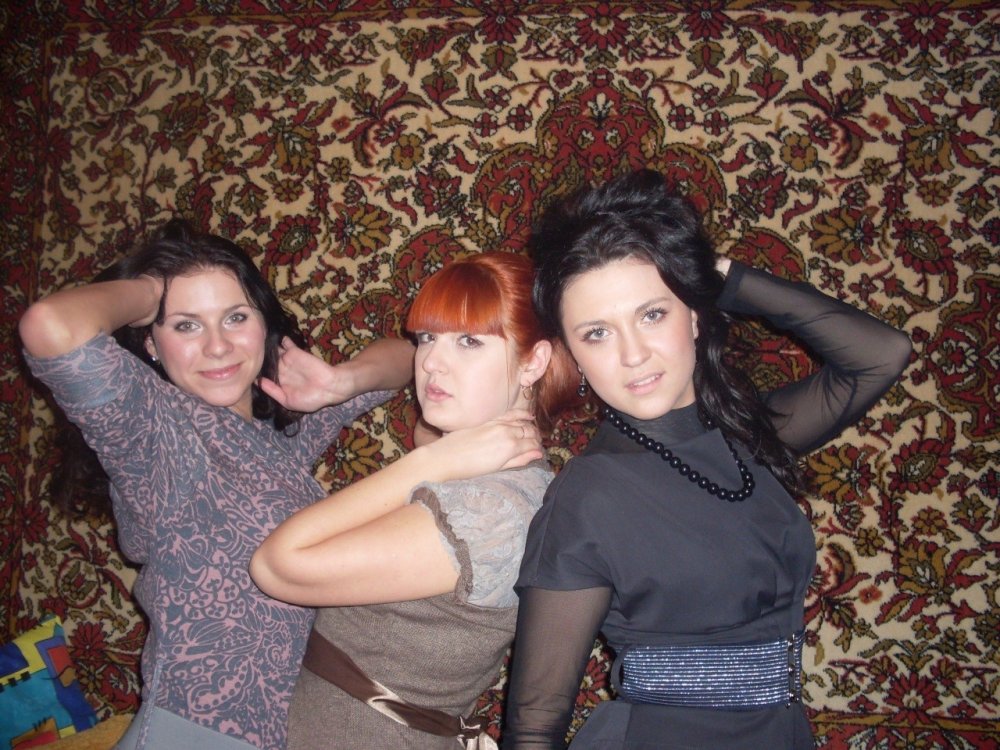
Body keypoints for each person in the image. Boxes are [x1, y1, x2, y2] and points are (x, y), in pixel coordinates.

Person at [501, 169, 912, 749]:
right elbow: (534, 722)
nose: (633, 354)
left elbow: (882, 354)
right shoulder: (587, 497)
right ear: (575, 357)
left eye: (652, 314)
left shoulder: (750, 436)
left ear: (694, 315)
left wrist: (715, 273)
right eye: (597, 333)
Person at [19, 218, 415, 750]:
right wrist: (154, 288)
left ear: (264, 326)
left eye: (235, 317)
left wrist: (340, 381)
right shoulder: (155, 432)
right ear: (151, 342)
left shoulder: (282, 440)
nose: (218, 346)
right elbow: (50, 326)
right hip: (194, 732)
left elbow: (410, 357)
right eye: (186, 326)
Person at [250, 251, 578, 749]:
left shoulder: (492, 511)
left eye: (469, 341)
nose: (431, 362)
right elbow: (403, 362)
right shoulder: (489, 464)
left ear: (533, 362)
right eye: (428, 337)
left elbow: (275, 566)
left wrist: (431, 462)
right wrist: (342, 382)